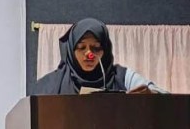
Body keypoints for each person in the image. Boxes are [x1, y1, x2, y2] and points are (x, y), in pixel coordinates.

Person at [32, 18, 167, 95]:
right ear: (71, 51)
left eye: (96, 48)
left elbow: (166, 98)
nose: (89, 54)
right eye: (81, 47)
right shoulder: (51, 84)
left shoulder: (122, 77)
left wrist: (150, 95)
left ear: (105, 50)